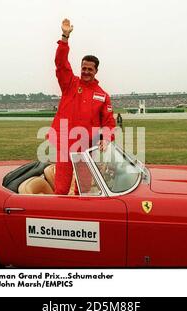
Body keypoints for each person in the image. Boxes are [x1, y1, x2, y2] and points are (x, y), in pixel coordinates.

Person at [48, 18, 115, 195]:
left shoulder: (103, 95)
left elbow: (109, 122)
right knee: (61, 189)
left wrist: (106, 138)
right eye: (83, 68)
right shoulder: (70, 83)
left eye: (89, 69)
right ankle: (57, 218)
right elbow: (61, 64)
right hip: (65, 144)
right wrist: (64, 38)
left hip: (87, 147)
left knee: (83, 189)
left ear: (96, 71)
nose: (85, 72)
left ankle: (80, 220)